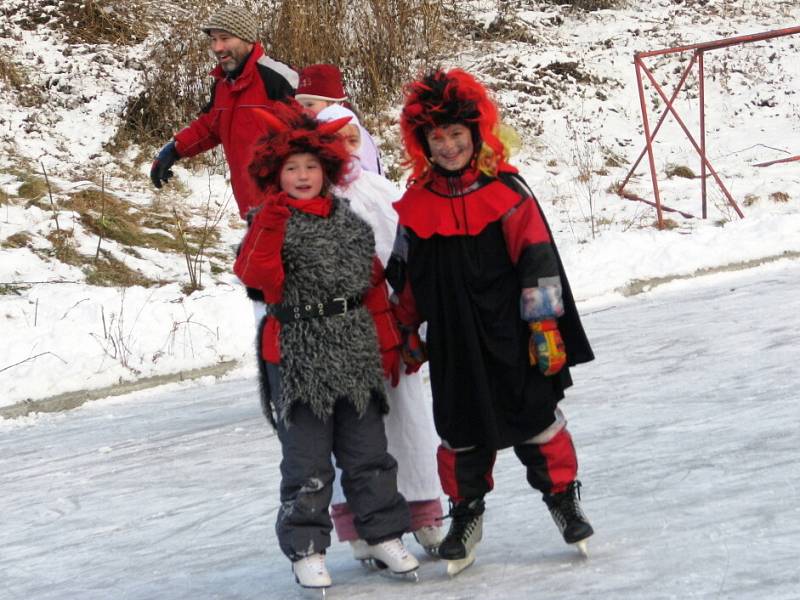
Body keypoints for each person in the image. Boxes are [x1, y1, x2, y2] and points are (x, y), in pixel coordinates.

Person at [386, 68, 596, 576]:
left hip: (511, 332)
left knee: (535, 419)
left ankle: (563, 500)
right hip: (454, 340)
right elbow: (404, 279)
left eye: (457, 134)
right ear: (424, 144)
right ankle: (466, 515)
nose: (450, 146)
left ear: (476, 133)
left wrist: (544, 327)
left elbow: (539, 262)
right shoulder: (415, 204)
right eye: (438, 138)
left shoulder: (507, 192)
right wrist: (407, 332)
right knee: (460, 429)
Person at [233, 103, 419, 592]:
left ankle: (383, 533)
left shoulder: (348, 219)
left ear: (327, 170)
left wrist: (392, 340)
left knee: (368, 453)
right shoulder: (266, 220)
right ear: (275, 173)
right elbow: (259, 280)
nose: (301, 176)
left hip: (354, 346)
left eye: (310, 167)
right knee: (307, 460)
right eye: (291, 168)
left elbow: (372, 285)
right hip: (296, 351)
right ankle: (307, 547)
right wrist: (271, 223)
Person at [316, 104, 445, 560]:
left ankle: (424, 513)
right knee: (353, 432)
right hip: (339, 336)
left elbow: (411, 257)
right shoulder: (309, 197)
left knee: (408, 420)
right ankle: (360, 526)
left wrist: (416, 319)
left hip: (390, 325)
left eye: (352, 140)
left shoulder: (382, 191)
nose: (345, 151)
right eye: (334, 142)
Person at [149, 5, 299, 220]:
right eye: (213, 39)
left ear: (247, 39)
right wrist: (174, 150)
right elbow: (212, 126)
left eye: (225, 38)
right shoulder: (223, 85)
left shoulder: (279, 79)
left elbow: (319, 131)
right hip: (252, 207)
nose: (217, 47)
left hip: (290, 207)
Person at [295, 63, 385, 175]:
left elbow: (365, 174)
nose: (303, 111)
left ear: (332, 103)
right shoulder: (312, 131)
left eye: (309, 104)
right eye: (300, 105)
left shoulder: (351, 131)